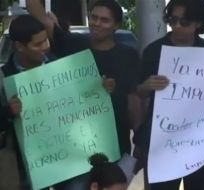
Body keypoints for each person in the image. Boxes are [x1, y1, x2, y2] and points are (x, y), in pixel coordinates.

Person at [27, 0, 140, 189]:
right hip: (72, 152)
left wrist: (139, 142)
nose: (97, 23)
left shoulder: (128, 55)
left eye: (104, 20)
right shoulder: (72, 43)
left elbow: (134, 98)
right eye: (94, 17)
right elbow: (40, 16)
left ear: (117, 25)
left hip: (114, 148)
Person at [134, 0, 204, 189]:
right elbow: (136, 92)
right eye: (172, 20)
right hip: (162, 142)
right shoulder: (154, 51)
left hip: (201, 142)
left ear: (198, 23)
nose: (177, 26)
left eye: (184, 22)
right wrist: (146, 86)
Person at [0, 14, 52, 190]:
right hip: (19, 169)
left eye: (46, 40)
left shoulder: (59, 69)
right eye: (38, 44)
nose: (46, 47)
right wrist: (8, 112)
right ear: (19, 46)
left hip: (60, 160)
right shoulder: (3, 78)